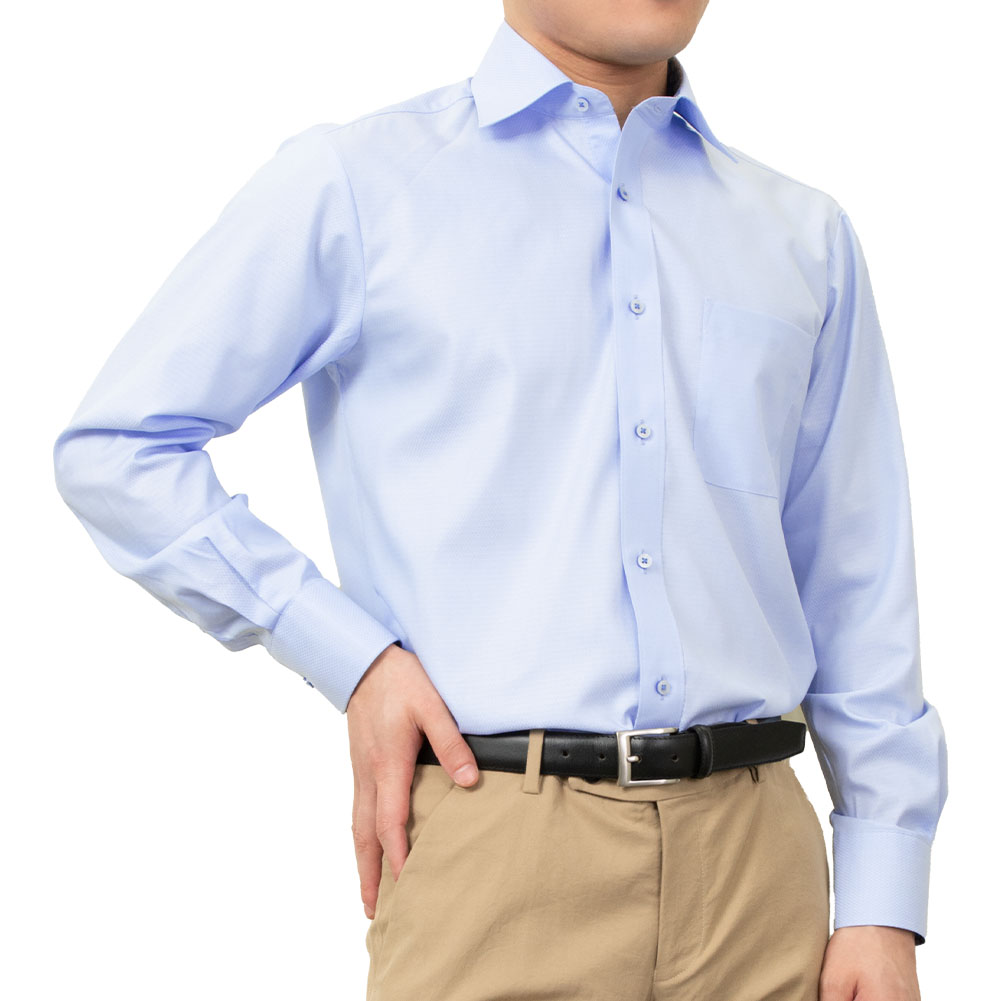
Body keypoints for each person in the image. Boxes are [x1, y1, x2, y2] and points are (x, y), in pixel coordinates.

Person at [52, 1, 948, 998]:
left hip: (760, 874)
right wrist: (354, 657)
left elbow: (854, 581)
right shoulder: (359, 186)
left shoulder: (801, 235)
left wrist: (881, 898)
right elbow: (119, 449)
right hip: (494, 845)